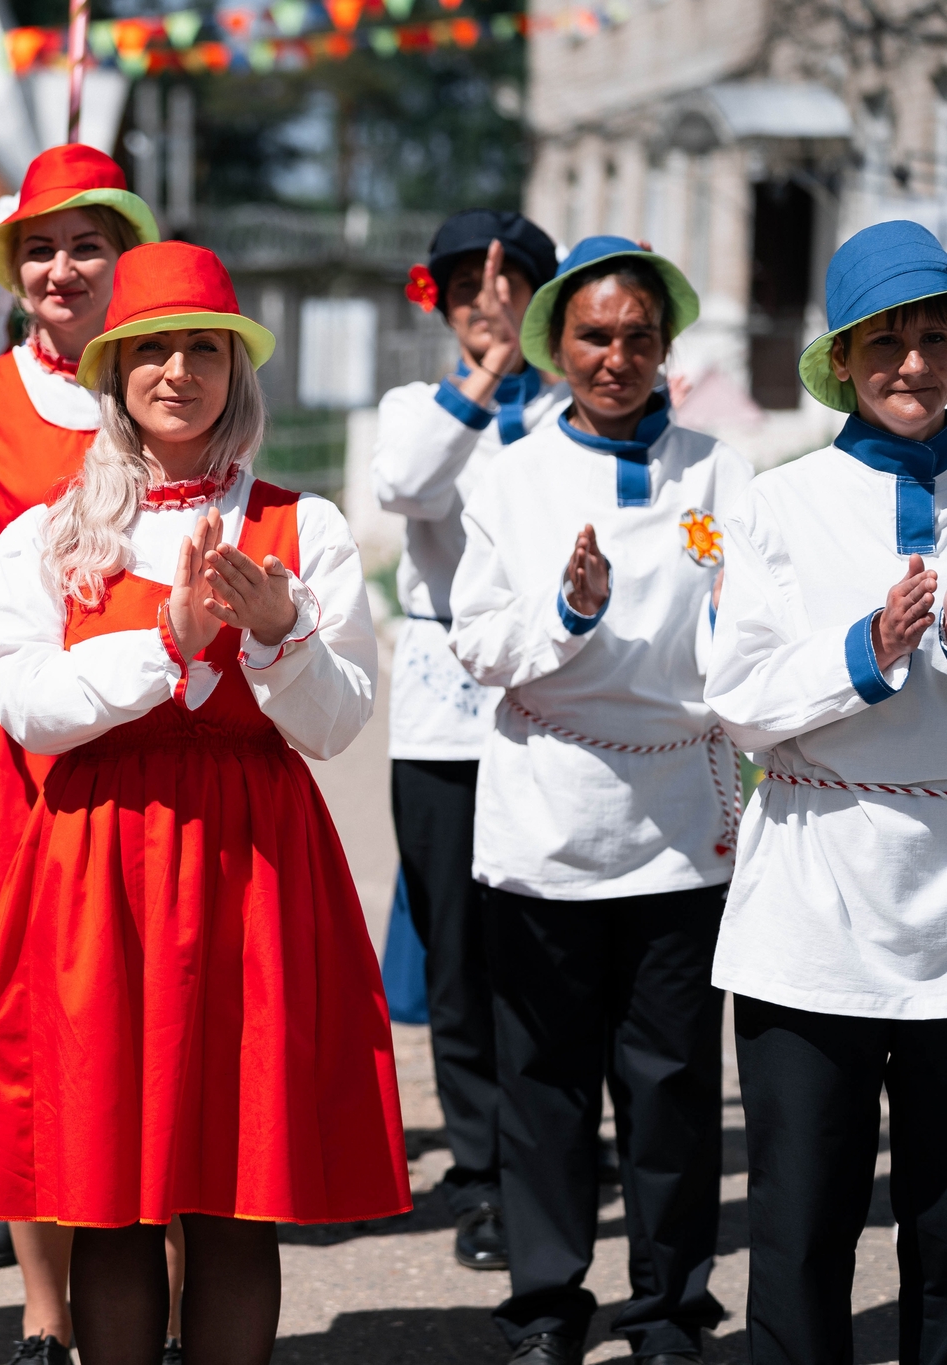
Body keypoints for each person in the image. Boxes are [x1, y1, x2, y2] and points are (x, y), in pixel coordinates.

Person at [0, 240, 411, 1365]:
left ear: (236, 371)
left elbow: (335, 721)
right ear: (110, 372)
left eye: (202, 349)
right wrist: (165, 640)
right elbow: (30, 710)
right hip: (96, 869)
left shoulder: (301, 527)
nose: (177, 371)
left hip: (249, 868)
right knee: (105, 1184)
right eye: (151, 349)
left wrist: (273, 639)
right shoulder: (47, 534)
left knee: (231, 1187)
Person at [448, 236, 750, 1365]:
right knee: (544, 1085)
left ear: (665, 345)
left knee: (670, 1086)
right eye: (591, 335)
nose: (614, 356)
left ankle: (669, 1307)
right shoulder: (510, 473)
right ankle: (544, 1304)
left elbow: (741, 614)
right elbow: (478, 642)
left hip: (678, 819)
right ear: (554, 345)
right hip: (547, 816)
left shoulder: (718, 471)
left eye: (635, 336)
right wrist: (568, 613)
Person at [0, 142, 159, 1365]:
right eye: (41, 251)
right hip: (21, 739)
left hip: (150, 739)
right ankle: (43, 1309)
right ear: (13, 273)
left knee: (148, 1004)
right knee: (28, 1017)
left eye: (86, 246)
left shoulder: (168, 382)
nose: (63, 270)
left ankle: (152, 1290)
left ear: (127, 258)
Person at [705, 219, 947, 1364]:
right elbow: (740, 701)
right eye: (885, 342)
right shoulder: (777, 503)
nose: (914, 365)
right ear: (841, 361)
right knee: (802, 1223)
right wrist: (865, 646)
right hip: (812, 906)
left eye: (938, 339)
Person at [369, 209, 565, 1273]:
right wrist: (480, 374)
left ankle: (550, 1149)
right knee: (456, 951)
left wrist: (519, 376)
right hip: (444, 714)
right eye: (462, 295)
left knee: (544, 949)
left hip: (548, 700)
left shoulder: (572, 410)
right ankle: (482, 1169)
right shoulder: (420, 404)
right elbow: (404, 486)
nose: (484, 308)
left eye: (507, 290)